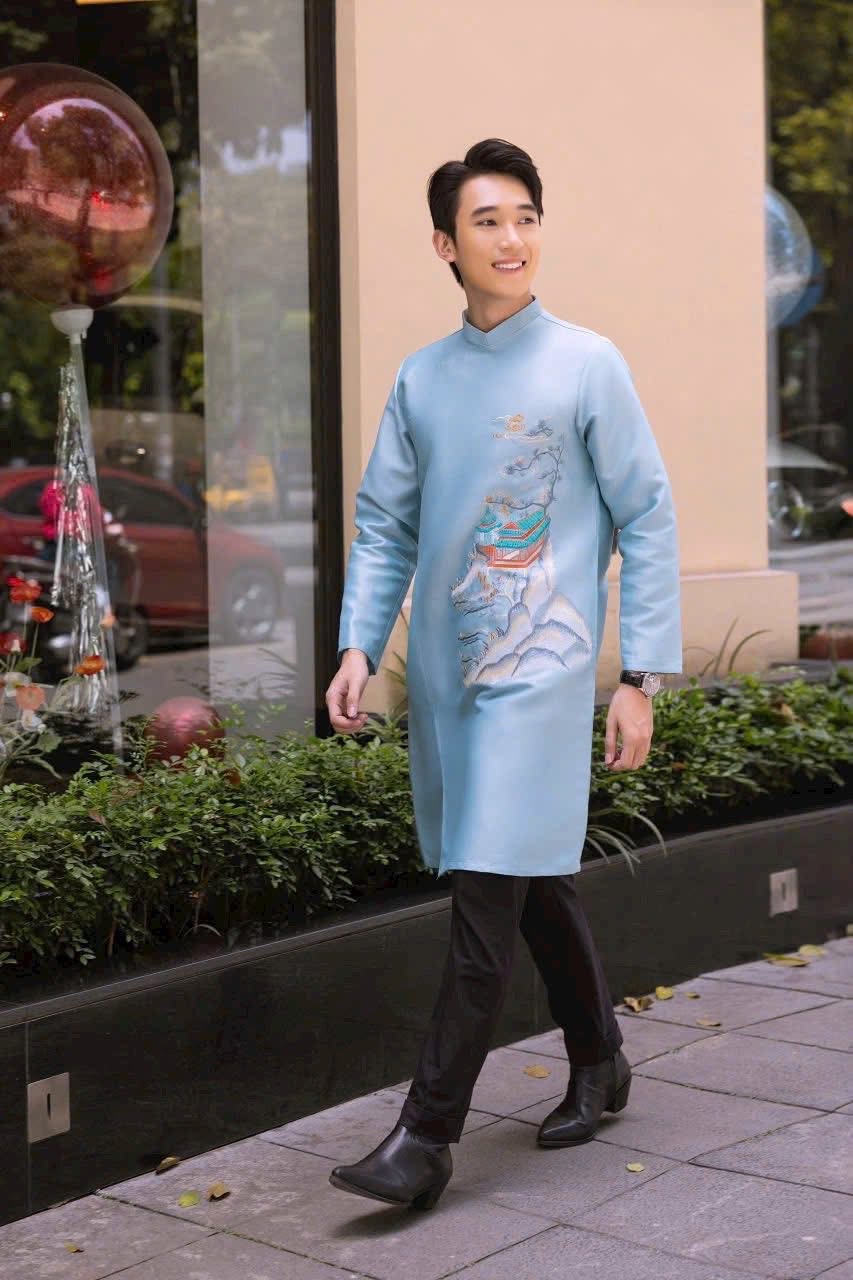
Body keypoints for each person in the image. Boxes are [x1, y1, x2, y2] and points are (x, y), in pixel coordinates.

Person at [325, 138, 682, 1212]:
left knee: (485, 888)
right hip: (448, 677)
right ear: (447, 243)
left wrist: (639, 676)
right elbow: (383, 525)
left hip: (541, 668)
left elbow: (646, 516)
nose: (512, 237)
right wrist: (357, 644)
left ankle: (424, 1136)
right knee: (525, 877)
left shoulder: (587, 363)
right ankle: (600, 1056)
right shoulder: (421, 377)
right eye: (487, 220)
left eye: (524, 215)